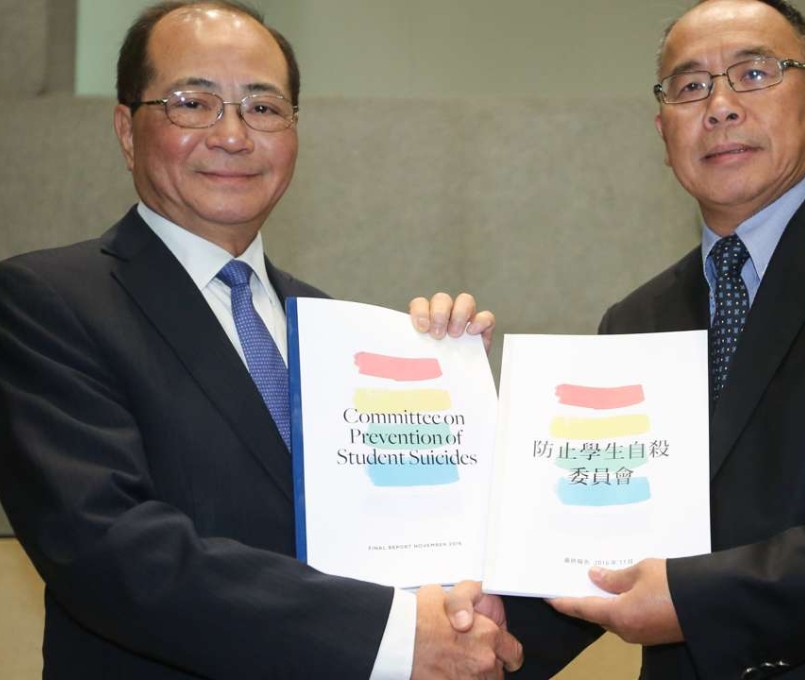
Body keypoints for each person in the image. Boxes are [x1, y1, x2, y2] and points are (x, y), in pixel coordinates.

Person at [451, 0, 805, 678]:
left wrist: (697, 599)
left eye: (755, 73)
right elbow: (608, 541)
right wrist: (494, 630)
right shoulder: (636, 320)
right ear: (664, 133)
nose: (719, 106)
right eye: (690, 87)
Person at [0, 1, 521, 678]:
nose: (234, 135)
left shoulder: (335, 327)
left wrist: (453, 401)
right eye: (194, 102)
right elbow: (111, 550)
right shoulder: (48, 302)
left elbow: (379, 543)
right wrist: (393, 637)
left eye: (265, 108)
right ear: (128, 130)